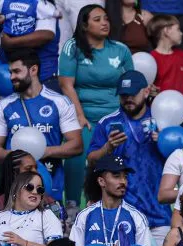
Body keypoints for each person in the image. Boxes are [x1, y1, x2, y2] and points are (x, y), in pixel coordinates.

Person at [58, 4, 134, 204]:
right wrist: (80, 116)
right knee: (76, 150)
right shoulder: (72, 47)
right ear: (84, 25)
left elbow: (130, 84)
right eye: (97, 19)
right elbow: (66, 85)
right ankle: (72, 207)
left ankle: (122, 205)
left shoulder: (121, 50)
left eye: (106, 19)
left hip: (114, 115)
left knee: (123, 157)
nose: (104, 23)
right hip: (82, 113)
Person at [0, 50, 82, 201]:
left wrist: (45, 151)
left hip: (51, 186)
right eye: (10, 72)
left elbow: (77, 145)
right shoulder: (4, 105)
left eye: (16, 71)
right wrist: (21, 158)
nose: (12, 77)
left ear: (33, 70)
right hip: (15, 189)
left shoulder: (60, 102)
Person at [69, 155, 151, 246]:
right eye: (116, 176)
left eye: (125, 176)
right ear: (101, 181)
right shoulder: (85, 216)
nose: (123, 181)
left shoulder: (136, 217)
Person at [147, 15, 183, 101]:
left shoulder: (182, 55)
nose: (181, 33)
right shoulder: (151, 59)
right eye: (178, 29)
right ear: (166, 31)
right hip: (162, 108)